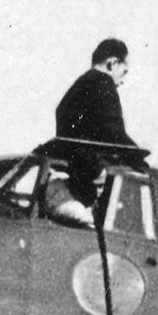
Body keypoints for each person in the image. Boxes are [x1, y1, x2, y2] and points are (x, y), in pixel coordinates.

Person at [48, 37, 145, 225]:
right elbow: (114, 133)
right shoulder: (103, 85)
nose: (121, 82)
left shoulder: (78, 86)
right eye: (123, 73)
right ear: (112, 63)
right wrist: (139, 159)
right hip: (93, 170)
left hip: (75, 170)